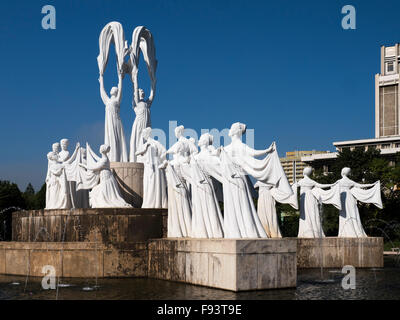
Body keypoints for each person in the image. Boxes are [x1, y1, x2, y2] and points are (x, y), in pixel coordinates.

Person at [79, 144, 131, 208]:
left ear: (102, 150)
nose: (99, 149)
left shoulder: (104, 160)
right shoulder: (105, 158)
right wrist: (90, 150)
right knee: (97, 191)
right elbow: (97, 158)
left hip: (106, 178)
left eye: (100, 148)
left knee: (101, 192)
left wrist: (83, 166)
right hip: (106, 177)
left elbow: (94, 168)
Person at [337, 167, 382, 238]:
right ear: (348, 173)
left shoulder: (339, 181)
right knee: (353, 213)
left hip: (343, 198)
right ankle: (354, 231)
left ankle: (345, 232)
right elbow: (361, 186)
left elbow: (332, 188)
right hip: (350, 197)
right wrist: (372, 184)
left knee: (344, 214)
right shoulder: (350, 181)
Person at [297, 167, 340, 238]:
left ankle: (306, 232)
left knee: (305, 215)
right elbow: (321, 186)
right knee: (313, 214)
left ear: (303, 173)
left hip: (304, 198)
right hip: (311, 198)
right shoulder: (311, 181)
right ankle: (315, 232)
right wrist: (331, 184)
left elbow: (292, 186)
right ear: (310, 173)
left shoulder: (301, 181)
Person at [99, 68, 128, 162]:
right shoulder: (107, 101)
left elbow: (121, 90)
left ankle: (117, 158)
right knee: (109, 138)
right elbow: (102, 92)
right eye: (112, 89)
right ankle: (111, 157)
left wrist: (120, 78)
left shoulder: (116, 100)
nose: (112, 89)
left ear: (115, 91)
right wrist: (101, 79)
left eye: (114, 89)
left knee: (116, 139)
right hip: (109, 123)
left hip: (116, 122)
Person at [135, 127, 168, 208]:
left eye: (143, 134)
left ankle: (153, 203)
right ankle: (153, 202)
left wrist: (160, 160)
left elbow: (164, 152)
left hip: (154, 165)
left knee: (153, 182)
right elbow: (137, 153)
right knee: (151, 183)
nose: (143, 136)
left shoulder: (153, 143)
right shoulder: (148, 144)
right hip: (151, 166)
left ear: (147, 134)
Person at [129, 88, 153, 162]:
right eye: (140, 91)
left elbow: (152, 95)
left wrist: (153, 84)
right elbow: (135, 89)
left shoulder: (146, 103)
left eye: (143, 90)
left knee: (145, 140)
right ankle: (136, 158)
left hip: (146, 124)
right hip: (139, 124)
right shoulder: (138, 103)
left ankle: (144, 157)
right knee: (138, 139)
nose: (142, 91)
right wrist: (135, 78)